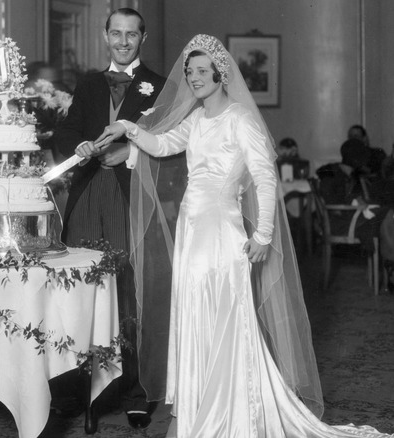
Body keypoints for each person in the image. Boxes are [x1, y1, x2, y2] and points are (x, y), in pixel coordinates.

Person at [95, 33, 394, 437]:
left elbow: (266, 178)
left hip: (222, 229)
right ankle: (198, 407)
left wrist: (264, 234)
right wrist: (129, 127)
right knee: (194, 310)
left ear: (220, 75)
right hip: (191, 227)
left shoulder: (241, 119)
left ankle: (233, 411)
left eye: (203, 71)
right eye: (190, 71)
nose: (194, 77)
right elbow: (163, 144)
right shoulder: (196, 119)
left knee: (224, 316)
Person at [50, 7, 166, 428]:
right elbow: (66, 132)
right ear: (105, 36)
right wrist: (79, 144)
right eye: (115, 34)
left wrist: (131, 153)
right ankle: (76, 390)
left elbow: (172, 150)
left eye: (130, 35)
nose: (122, 41)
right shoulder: (89, 82)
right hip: (86, 196)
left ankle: (135, 390)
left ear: (143, 38)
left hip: (127, 196)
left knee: (128, 291)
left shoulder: (162, 86)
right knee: (78, 289)